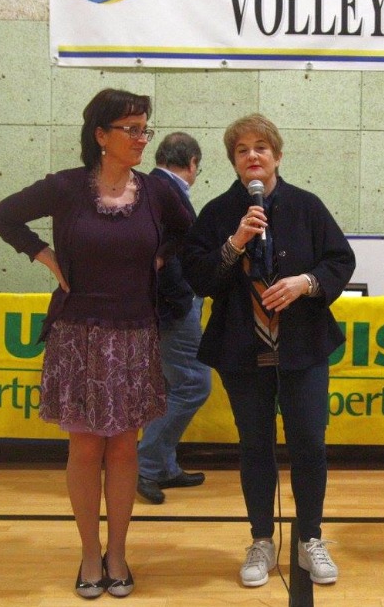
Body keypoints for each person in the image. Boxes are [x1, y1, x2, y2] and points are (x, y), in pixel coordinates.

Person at [0, 89, 191, 598]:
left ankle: (117, 552)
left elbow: (191, 234)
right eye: (131, 129)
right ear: (101, 135)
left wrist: (160, 258)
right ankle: (89, 554)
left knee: (123, 448)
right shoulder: (65, 188)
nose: (142, 138)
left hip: (135, 332)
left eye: (144, 129)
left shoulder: (157, 191)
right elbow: (2, 215)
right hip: (77, 334)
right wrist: (43, 254)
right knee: (84, 447)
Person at [180, 114, 355, 588]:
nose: (252, 155)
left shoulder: (307, 206)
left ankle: (310, 537)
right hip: (243, 349)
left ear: (277, 155)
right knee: (255, 446)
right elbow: (198, 276)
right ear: (233, 161)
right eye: (242, 150)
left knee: (309, 444)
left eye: (261, 147)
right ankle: (260, 538)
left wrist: (306, 283)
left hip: (303, 347)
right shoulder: (218, 212)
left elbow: (340, 260)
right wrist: (234, 242)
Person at [136, 133, 213, 505]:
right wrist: (183, 300)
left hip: (164, 304)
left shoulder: (151, 188)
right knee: (193, 383)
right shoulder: (167, 193)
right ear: (193, 162)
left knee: (174, 385)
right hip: (173, 306)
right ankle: (148, 465)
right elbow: (163, 255)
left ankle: (163, 465)